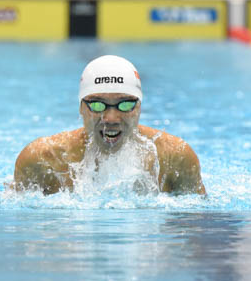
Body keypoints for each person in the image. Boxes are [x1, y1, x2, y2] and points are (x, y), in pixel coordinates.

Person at [13, 55, 206, 195]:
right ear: (81, 107)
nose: (111, 117)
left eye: (125, 104)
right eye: (97, 105)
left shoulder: (175, 158)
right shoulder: (43, 161)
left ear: (139, 107)